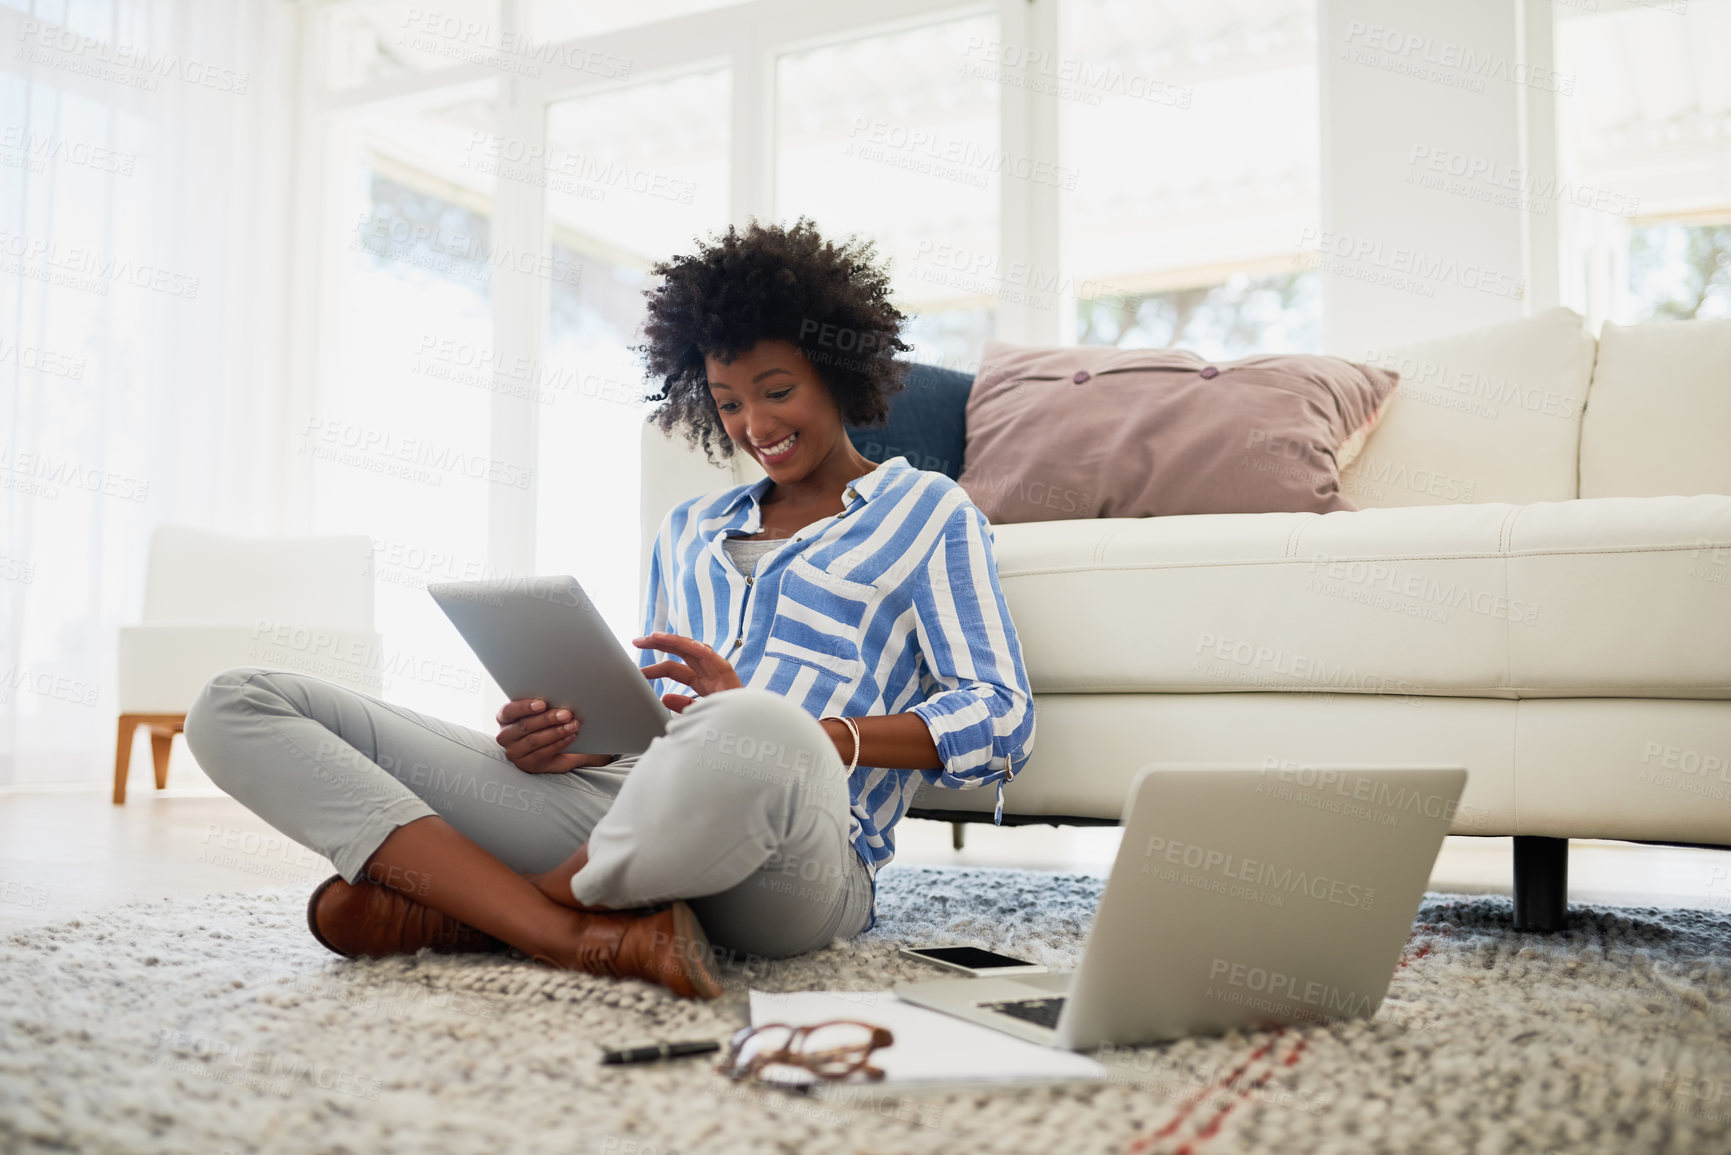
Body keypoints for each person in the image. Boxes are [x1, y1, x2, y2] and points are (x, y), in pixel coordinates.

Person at [183, 217, 1036, 999]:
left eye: (777, 390)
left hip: (799, 857)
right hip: (634, 811)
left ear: (838, 376)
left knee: (757, 726)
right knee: (238, 702)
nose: (753, 424)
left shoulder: (926, 511)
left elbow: (1001, 720)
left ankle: (473, 909)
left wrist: (821, 734)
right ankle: (566, 932)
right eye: (729, 401)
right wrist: (565, 741)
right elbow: (656, 724)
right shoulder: (688, 530)